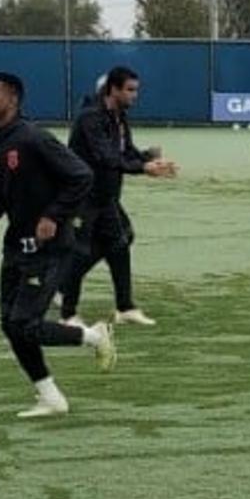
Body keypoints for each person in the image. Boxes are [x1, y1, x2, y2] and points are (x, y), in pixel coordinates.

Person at [0, 71, 114, 418]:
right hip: (16, 249)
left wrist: (53, 216)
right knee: (10, 325)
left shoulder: (34, 139)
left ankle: (94, 337)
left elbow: (81, 176)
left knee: (25, 324)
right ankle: (51, 398)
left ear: (12, 99)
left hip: (51, 248)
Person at [60, 65, 177, 328]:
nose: (135, 95)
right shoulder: (90, 118)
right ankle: (68, 313)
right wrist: (143, 168)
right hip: (82, 197)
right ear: (113, 89)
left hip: (105, 196)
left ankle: (125, 308)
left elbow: (126, 151)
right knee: (79, 252)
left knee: (120, 243)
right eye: (130, 90)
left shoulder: (119, 117)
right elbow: (106, 157)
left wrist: (148, 157)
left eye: (136, 90)